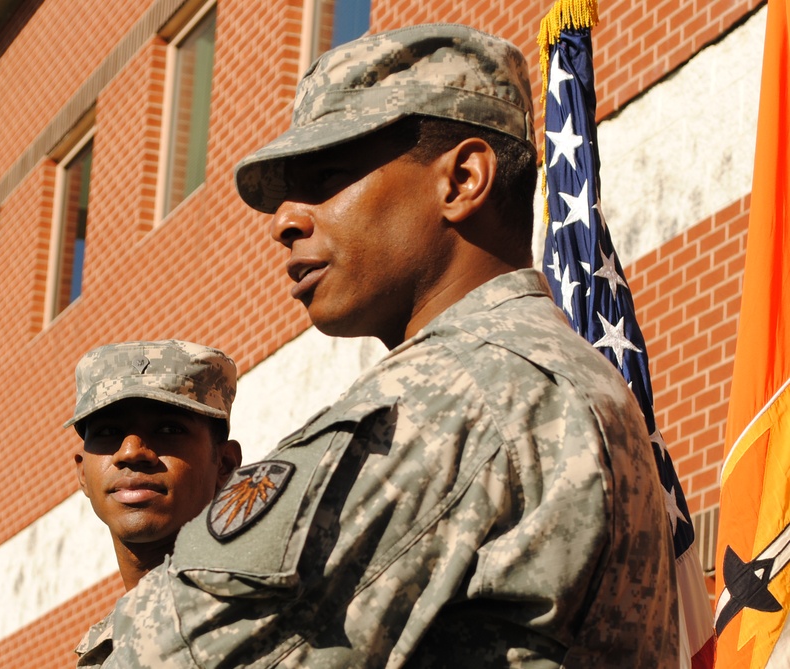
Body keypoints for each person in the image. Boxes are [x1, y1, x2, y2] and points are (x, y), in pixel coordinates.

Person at [90, 24, 680, 667]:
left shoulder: (456, 391)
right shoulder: (551, 370)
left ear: (462, 179)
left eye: (329, 174)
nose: (285, 220)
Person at [64, 340, 241, 666]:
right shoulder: (107, 652)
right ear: (82, 474)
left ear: (225, 465)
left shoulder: (261, 609)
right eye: (108, 431)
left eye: (168, 428)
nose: (131, 452)